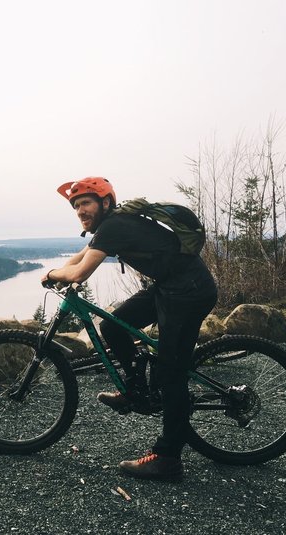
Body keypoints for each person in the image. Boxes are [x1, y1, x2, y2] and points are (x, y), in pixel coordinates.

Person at [41, 176, 217, 481]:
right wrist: (57, 273)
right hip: (170, 288)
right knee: (112, 327)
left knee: (171, 374)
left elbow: (81, 272)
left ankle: (167, 459)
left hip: (188, 293)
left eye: (85, 203)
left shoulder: (115, 226)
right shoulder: (112, 225)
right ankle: (135, 391)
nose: (80, 210)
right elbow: (81, 256)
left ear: (105, 202)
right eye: (76, 206)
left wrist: (51, 273)